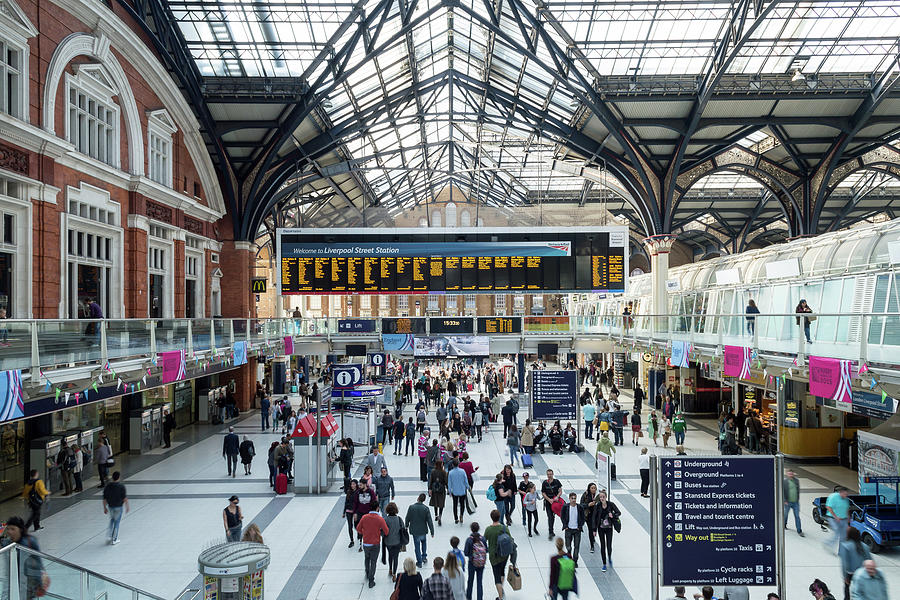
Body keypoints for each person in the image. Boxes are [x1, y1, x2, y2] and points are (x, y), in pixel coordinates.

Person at [2, 516, 49, 597]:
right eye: (8, 529)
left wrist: (42, 578)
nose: (9, 532)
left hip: (30, 583)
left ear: (20, 529)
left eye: (13, 529)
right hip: (14, 581)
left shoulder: (30, 542)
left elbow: (38, 561)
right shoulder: (7, 543)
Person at [357, 500, 389, 588]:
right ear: (378, 508)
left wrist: (363, 533)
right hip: (375, 543)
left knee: (367, 558)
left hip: (366, 543)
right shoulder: (380, 519)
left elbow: (358, 528)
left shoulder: (364, 517)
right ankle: (371, 580)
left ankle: (367, 573)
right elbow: (386, 531)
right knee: (373, 561)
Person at [484, 509, 512, 600]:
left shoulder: (488, 529)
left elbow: (484, 541)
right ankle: (501, 589)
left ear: (491, 518)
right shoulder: (504, 528)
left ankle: (500, 597)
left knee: (496, 577)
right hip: (504, 554)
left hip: (494, 556)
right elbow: (510, 539)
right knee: (502, 571)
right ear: (499, 517)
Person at [840, 528, 871, 600]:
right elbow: (869, 560)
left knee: (847, 588)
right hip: (863, 573)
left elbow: (845, 563)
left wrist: (845, 577)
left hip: (850, 573)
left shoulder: (845, 546)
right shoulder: (865, 546)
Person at [593, 489, 620, 571]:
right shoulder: (598, 506)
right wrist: (594, 530)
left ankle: (609, 556)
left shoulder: (610, 504)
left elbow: (619, 512)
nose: (602, 498)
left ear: (606, 497)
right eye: (600, 497)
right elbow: (594, 517)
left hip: (609, 528)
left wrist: (613, 515)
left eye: (603, 497)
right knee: (602, 545)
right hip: (601, 528)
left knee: (609, 545)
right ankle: (604, 563)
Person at [406, 493, 436, 568]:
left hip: (415, 531)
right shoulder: (426, 508)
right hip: (423, 530)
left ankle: (419, 562)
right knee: (424, 543)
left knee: (417, 547)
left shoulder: (411, 507)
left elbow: (407, 518)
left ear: (418, 498)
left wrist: (406, 526)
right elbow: (429, 521)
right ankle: (424, 557)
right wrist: (432, 531)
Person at [558, 492, 585, 566]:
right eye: (572, 498)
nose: (573, 500)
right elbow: (562, 516)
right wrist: (565, 525)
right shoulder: (565, 507)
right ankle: (569, 557)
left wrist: (580, 526)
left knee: (577, 546)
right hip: (568, 529)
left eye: (575, 498)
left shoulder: (579, 507)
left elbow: (583, 517)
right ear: (569, 499)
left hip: (577, 530)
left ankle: (575, 561)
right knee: (568, 546)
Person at [464, 522, 487, 600]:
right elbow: (486, 550)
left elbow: (466, 553)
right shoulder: (483, 539)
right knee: (479, 582)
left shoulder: (469, 540)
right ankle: (479, 598)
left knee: (470, 581)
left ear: (471, 529)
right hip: (481, 563)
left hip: (472, 562)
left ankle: (469, 597)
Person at [825, 487, 851, 552]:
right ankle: (829, 544)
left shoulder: (846, 499)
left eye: (847, 494)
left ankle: (841, 551)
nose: (846, 496)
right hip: (832, 518)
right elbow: (828, 507)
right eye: (845, 494)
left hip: (843, 519)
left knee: (844, 535)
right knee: (837, 531)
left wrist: (848, 518)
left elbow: (847, 509)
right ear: (840, 493)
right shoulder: (833, 497)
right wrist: (835, 516)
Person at [542, 469, 563, 540]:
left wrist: (557, 497)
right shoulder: (545, 483)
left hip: (556, 501)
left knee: (561, 514)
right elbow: (543, 493)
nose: (549, 476)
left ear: (552, 474)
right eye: (548, 474)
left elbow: (560, 491)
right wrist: (548, 499)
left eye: (550, 474)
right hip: (548, 502)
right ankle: (551, 531)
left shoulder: (556, 482)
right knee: (550, 517)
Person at [448, 460, 470, 525]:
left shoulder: (451, 473)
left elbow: (449, 483)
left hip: (454, 491)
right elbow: (466, 481)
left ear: (452, 465)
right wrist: (468, 487)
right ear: (458, 464)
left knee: (455, 505)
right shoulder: (463, 471)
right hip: (462, 490)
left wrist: (449, 491)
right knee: (462, 504)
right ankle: (461, 515)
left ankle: (456, 518)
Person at [783, 469, 803, 536]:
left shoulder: (796, 481)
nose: (791, 475)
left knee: (797, 516)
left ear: (793, 474)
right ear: (787, 474)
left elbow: (798, 490)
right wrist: (784, 500)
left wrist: (797, 499)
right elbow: (782, 492)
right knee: (785, 515)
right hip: (787, 503)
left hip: (795, 503)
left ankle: (799, 530)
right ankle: (784, 525)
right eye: (789, 474)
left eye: (791, 473)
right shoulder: (784, 481)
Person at [429, 460, 448, 525]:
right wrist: (448, 489)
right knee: (441, 503)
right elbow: (446, 481)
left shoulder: (433, 471)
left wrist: (430, 489)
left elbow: (430, 481)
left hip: (434, 489)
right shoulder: (443, 472)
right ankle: (440, 515)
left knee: (435, 502)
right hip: (441, 490)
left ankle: (436, 515)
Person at [344, 479, 360, 547]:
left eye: (354, 484)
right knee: (350, 526)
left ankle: (359, 534)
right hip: (348, 511)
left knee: (356, 525)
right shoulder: (348, 492)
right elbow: (346, 502)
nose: (352, 485)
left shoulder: (359, 492)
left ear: (356, 484)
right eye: (351, 484)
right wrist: (344, 512)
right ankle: (351, 540)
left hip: (356, 511)